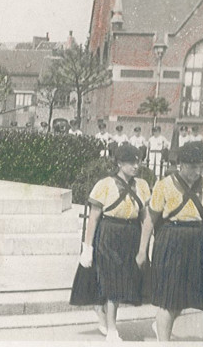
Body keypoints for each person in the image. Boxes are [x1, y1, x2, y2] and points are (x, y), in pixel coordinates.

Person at [135, 142, 203, 341]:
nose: (197, 171)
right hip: (171, 241)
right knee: (169, 298)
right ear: (181, 164)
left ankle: (160, 326)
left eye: (201, 166)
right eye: (193, 167)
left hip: (197, 242)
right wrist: (142, 251)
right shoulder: (164, 185)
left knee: (184, 295)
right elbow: (150, 220)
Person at [70, 144, 151, 341]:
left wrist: (144, 248)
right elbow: (94, 217)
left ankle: (101, 310)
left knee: (124, 280)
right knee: (113, 279)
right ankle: (113, 330)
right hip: (109, 234)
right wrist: (87, 247)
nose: (136, 165)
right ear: (120, 162)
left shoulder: (142, 185)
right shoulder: (104, 184)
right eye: (131, 162)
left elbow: (146, 218)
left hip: (132, 233)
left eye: (138, 161)